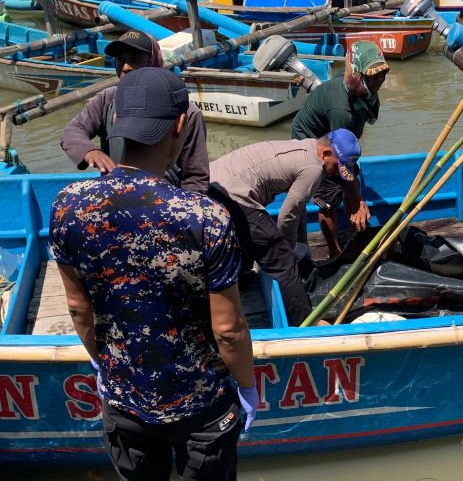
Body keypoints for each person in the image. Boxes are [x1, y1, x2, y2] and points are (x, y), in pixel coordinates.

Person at [49, 68, 257, 480]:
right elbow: (229, 331)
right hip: (202, 408)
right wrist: (248, 386)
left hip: (124, 400)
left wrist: (103, 366)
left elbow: (78, 309)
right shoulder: (205, 217)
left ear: (115, 121)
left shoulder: (68, 205)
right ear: (180, 125)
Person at [208, 129, 362, 326]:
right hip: (231, 194)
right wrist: (288, 249)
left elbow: (299, 206)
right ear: (325, 153)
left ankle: (242, 277)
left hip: (213, 182)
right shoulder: (313, 169)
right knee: (282, 260)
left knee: (251, 235)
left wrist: (301, 244)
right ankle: (305, 323)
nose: (336, 173)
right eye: (337, 166)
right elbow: (287, 215)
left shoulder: (307, 147)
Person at [60, 30, 210, 193]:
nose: (126, 67)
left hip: (167, 195)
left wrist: (181, 204)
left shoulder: (185, 111)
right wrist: (89, 150)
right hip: (116, 191)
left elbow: (196, 178)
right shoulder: (107, 99)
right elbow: (73, 131)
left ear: (152, 61)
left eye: (136, 60)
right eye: (121, 60)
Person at [291, 40, 389, 259]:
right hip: (312, 140)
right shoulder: (342, 110)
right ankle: (334, 251)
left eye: (382, 74)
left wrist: (354, 192)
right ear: (357, 75)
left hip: (339, 138)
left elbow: (348, 154)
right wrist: (357, 196)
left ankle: (355, 245)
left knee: (351, 188)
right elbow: (340, 156)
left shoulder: (361, 90)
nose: (379, 80)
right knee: (328, 198)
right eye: (373, 76)